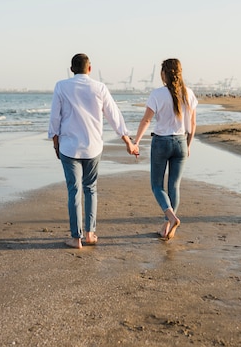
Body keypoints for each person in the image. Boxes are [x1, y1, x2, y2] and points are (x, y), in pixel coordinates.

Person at [48, 53, 138, 249]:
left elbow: (55, 117)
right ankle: (90, 234)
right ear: (90, 69)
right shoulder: (99, 87)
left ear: (71, 69)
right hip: (93, 147)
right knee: (91, 188)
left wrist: (55, 142)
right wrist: (128, 141)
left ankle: (76, 238)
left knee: (74, 190)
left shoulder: (61, 86)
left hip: (69, 147)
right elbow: (114, 115)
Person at [133, 59, 198, 240]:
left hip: (161, 142)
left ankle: (170, 218)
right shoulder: (189, 94)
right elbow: (192, 124)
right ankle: (168, 225)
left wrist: (136, 141)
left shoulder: (157, 94)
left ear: (164, 73)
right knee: (174, 186)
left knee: (156, 185)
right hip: (181, 142)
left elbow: (146, 120)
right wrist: (189, 145)